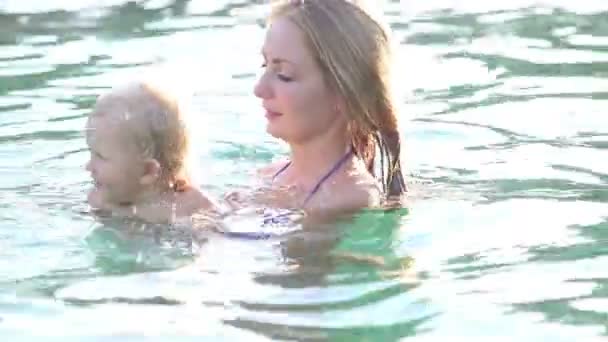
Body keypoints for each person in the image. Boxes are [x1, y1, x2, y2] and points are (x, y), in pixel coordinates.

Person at [238, 0, 407, 221]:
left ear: (343, 93)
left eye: (285, 75)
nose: (259, 89)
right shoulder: (268, 176)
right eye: (265, 65)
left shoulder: (349, 199)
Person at [85, 80, 217, 224]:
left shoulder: (190, 206)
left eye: (101, 156)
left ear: (147, 171)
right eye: (92, 153)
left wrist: (112, 210)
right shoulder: (111, 197)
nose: (89, 167)